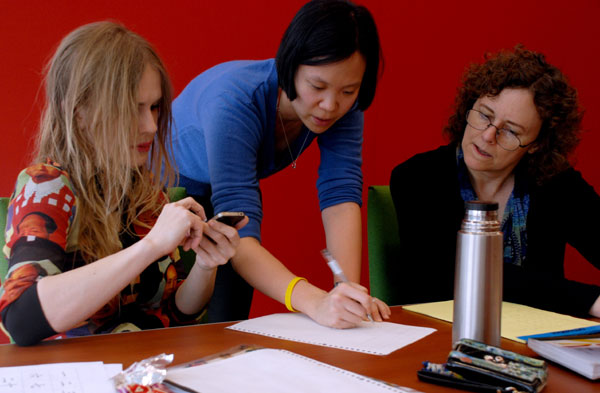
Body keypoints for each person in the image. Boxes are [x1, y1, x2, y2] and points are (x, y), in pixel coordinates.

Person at [0, 21, 247, 346]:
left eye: (155, 107)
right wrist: (151, 246)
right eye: (132, 109)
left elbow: (174, 314)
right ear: (80, 113)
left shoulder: (143, 190)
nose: (150, 125)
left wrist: (205, 263)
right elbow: (20, 318)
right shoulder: (48, 184)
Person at [171, 0, 390, 326]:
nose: (330, 105)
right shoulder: (234, 101)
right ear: (289, 65)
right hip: (165, 192)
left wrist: (346, 291)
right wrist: (316, 303)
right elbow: (242, 236)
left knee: (230, 322)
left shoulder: (344, 104)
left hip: (229, 205)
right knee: (183, 322)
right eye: (317, 86)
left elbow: (341, 194)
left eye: (348, 90)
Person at [389, 46, 600, 317]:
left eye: (511, 131)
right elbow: (454, 274)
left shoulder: (555, 183)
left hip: (536, 342)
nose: (488, 135)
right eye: (485, 115)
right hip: (442, 339)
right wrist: (590, 299)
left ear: (536, 144)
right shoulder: (417, 177)